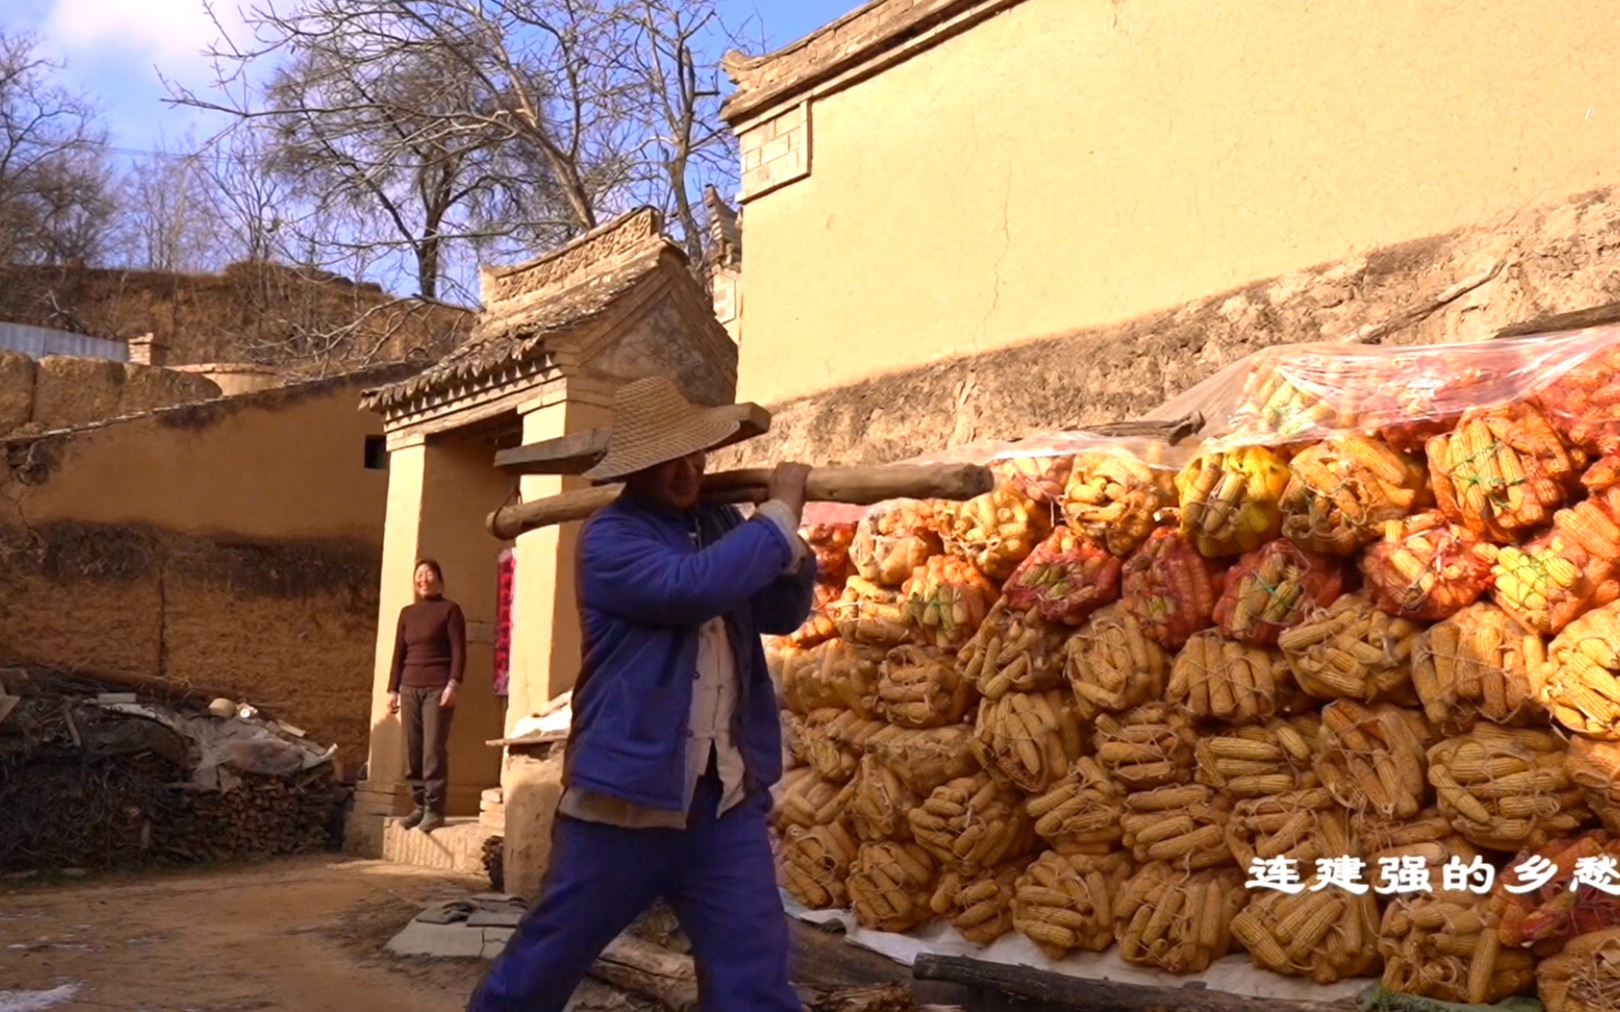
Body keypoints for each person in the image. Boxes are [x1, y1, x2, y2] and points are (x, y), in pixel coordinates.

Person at [468, 377, 818, 1012]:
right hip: (623, 806)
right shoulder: (610, 538)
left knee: (755, 981)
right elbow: (691, 589)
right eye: (668, 458)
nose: (686, 470)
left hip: (721, 801)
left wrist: (790, 547)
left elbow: (780, 610)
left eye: (694, 454)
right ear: (635, 468)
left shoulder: (719, 521)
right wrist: (777, 516)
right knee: (544, 966)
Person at [387, 558, 467, 834]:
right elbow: (399, 653)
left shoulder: (450, 610)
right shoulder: (407, 613)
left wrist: (453, 684)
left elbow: (459, 651)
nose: (423, 579)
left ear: (439, 580)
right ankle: (419, 805)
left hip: (438, 688)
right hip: (409, 687)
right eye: (419, 575)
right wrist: (392, 689)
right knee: (414, 749)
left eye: (428, 574)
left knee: (433, 750)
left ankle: (435, 809)